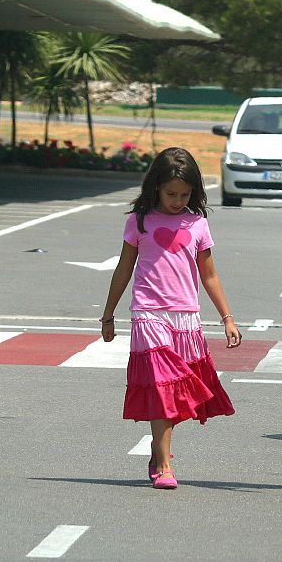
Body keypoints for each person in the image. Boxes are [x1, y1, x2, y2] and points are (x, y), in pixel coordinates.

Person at [100, 147, 241, 490]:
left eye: (185, 194)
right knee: (163, 385)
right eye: (170, 194)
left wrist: (227, 317)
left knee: (175, 390)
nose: (178, 201)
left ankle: (157, 448)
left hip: (185, 317)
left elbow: (209, 275)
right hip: (147, 313)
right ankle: (164, 464)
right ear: (155, 188)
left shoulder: (197, 224)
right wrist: (108, 315)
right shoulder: (139, 221)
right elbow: (124, 269)